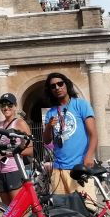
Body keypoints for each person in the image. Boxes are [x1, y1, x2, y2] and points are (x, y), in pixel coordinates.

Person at [41, 72, 99, 208]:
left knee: (87, 209)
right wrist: (49, 126)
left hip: (79, 167)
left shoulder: (81, 105)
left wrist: (89, 156)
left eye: (60, 84)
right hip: (58, 170)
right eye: (53, 86)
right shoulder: (51, 112)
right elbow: (46, 140)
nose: (57, 87)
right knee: (62, 213)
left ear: (66, 85)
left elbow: (94, 134)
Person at [0, 92, 32, 205]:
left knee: (17, 208)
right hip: (0, 170)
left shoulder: (20, 123)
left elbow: (31, 149)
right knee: (6, 210)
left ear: (15, 106)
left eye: (9, 105)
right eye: (3, 105)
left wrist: (9, 154)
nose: (6, 107)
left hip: (14, 170)